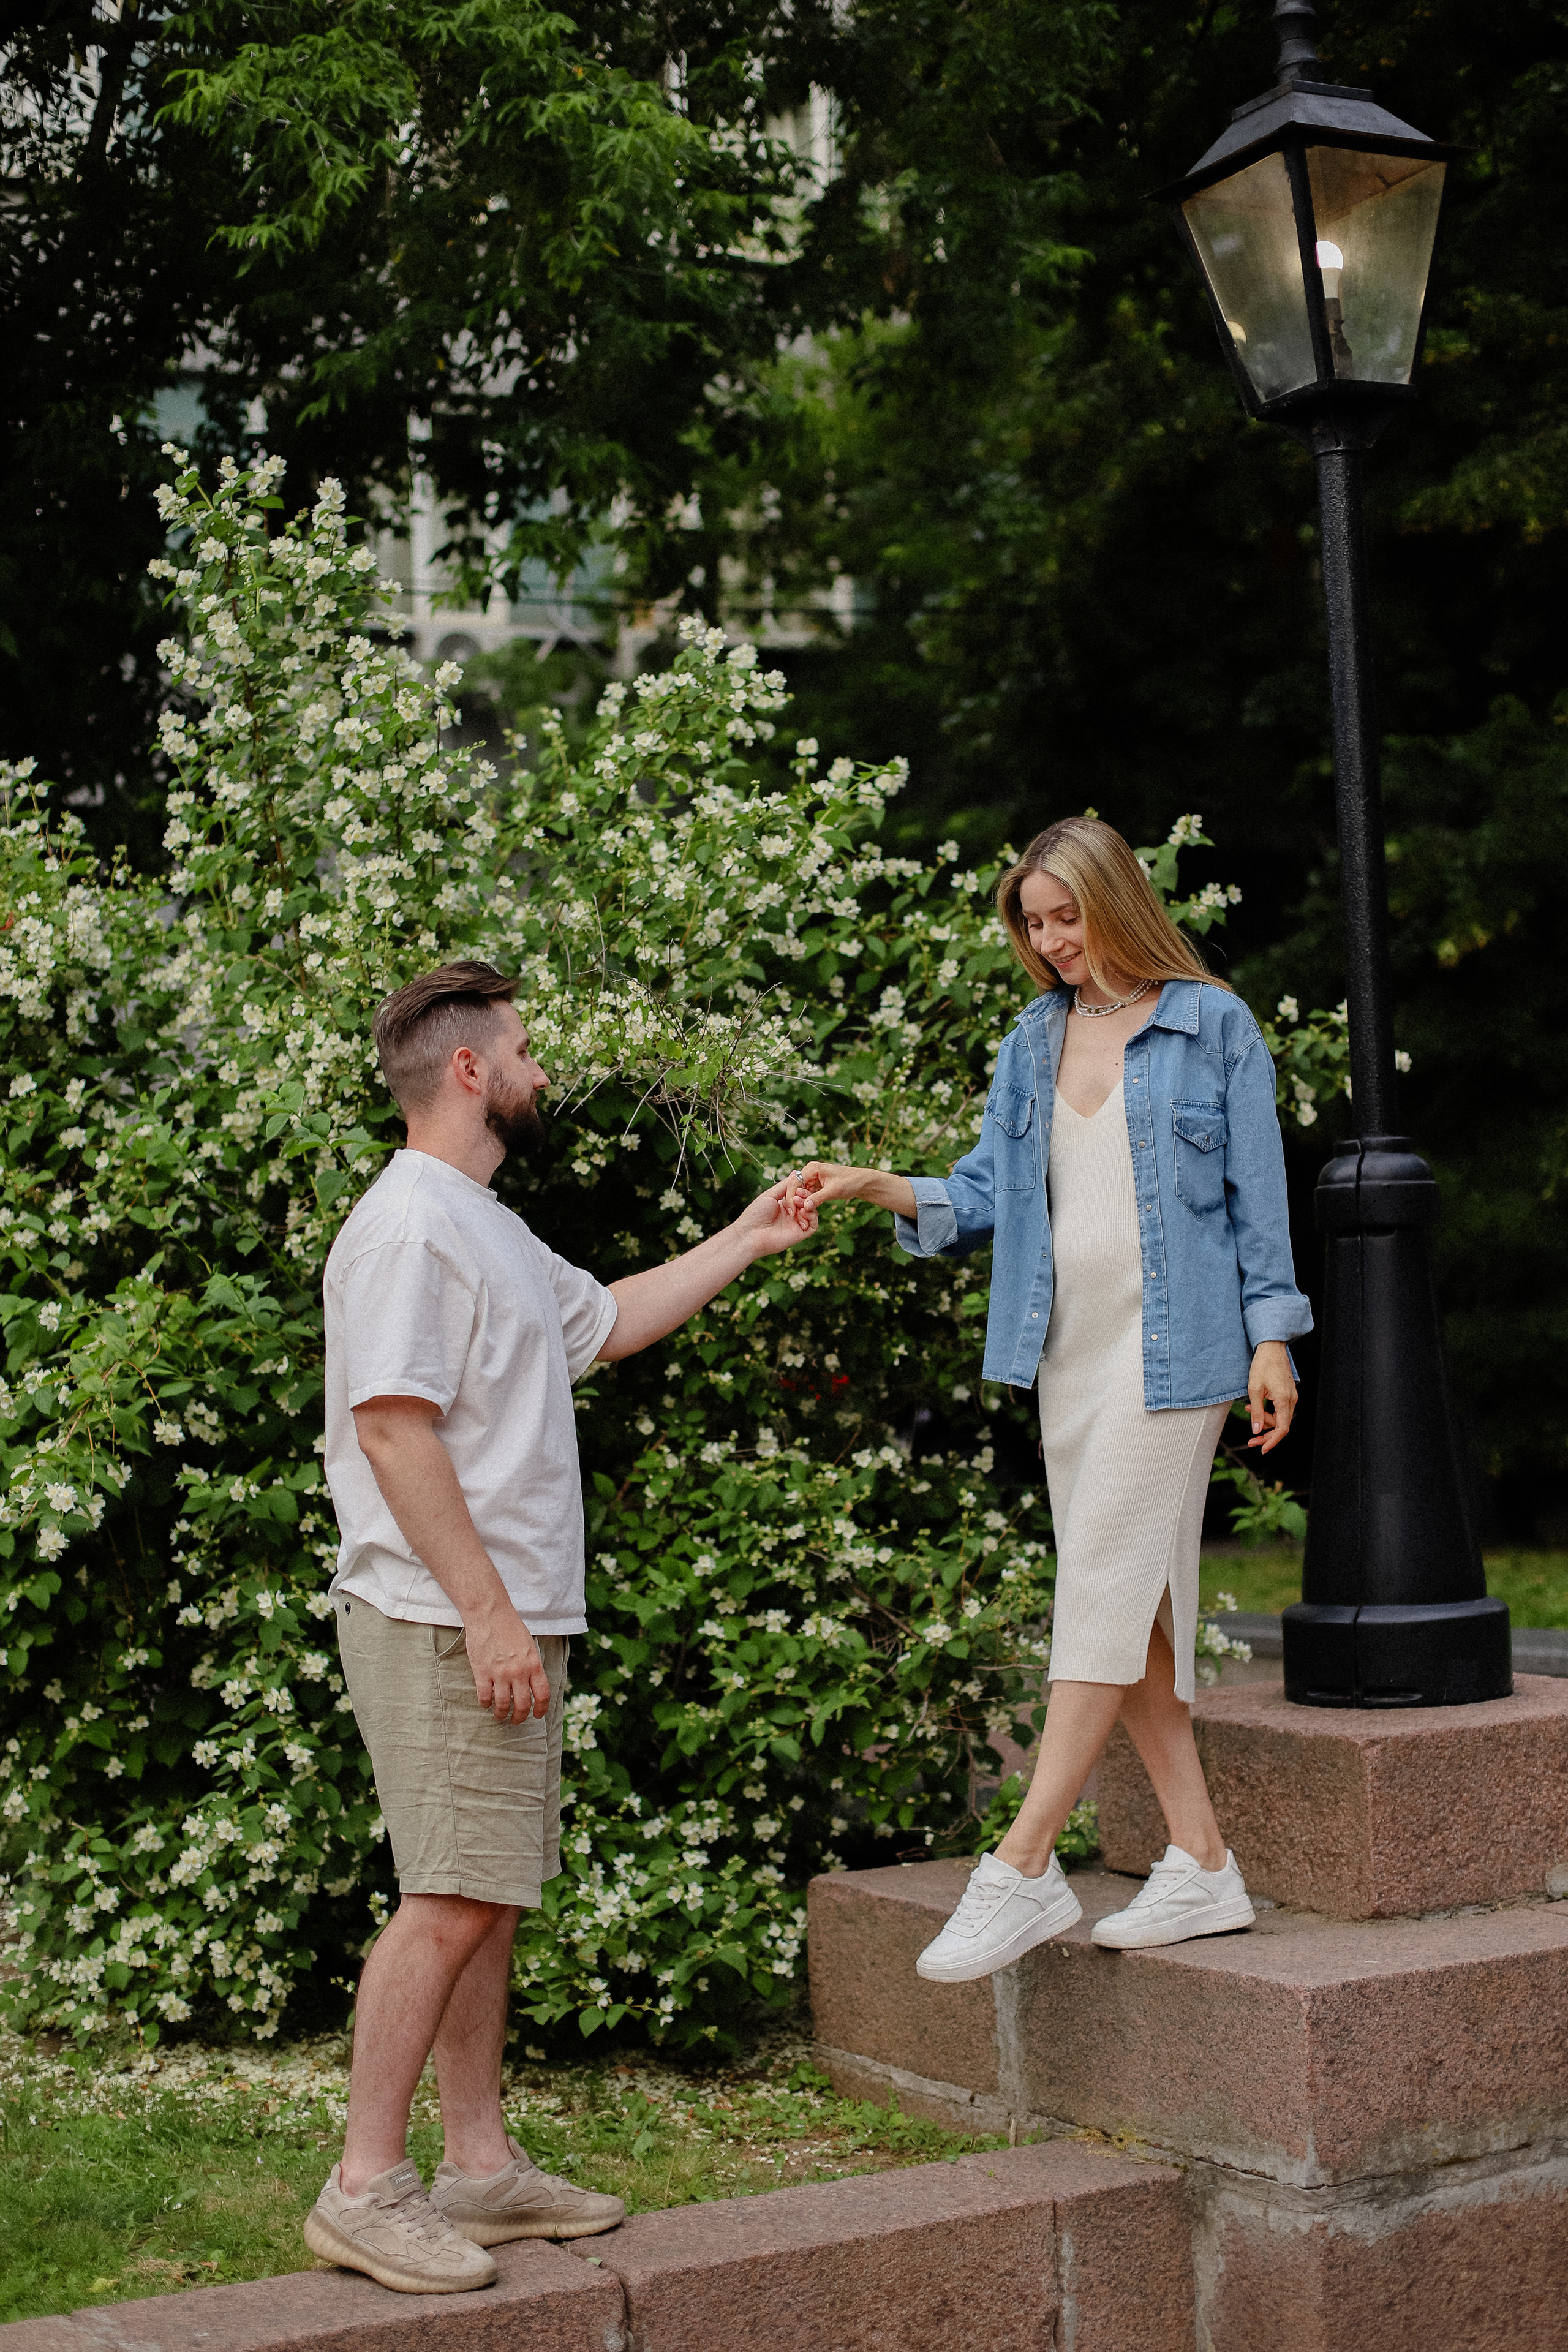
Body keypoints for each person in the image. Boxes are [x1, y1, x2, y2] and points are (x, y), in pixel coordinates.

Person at [304, 961, 818, 2294]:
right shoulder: (415, 1225)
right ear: (470, 1070)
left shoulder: (484, 1225)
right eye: (524, 1051)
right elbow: (390, 1424)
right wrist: (487, 1615)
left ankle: (477, 2167)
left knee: (486, 1901)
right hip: (441, 1619)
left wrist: (746, 1234)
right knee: (450, 1899)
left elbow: (605, 1324)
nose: (541, 1072)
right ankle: (365, 2188)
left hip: (496, 1617)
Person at [787, 816, 1312, 1984]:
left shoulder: (1211, 1023)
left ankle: (1020, 1868)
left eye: (1067, 917)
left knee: (1100, 1592)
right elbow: (985, 1193)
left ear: (1116, 903)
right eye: (1034, 923)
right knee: (1135, 1612)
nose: (1051, 941)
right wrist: (877, 1183)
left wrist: (1276, 1337)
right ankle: (1203, 1860)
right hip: (1068, 1359)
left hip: (1177, 1359)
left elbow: (1257, 1200)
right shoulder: (1032, 1042)